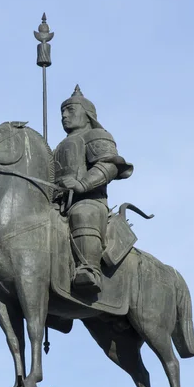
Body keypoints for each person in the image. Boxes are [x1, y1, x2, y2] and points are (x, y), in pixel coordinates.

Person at [54, 85, 133, 293]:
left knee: (83, 213)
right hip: (59, 203)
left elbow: (109, 165)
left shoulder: (96, 135)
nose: (64, 115)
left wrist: (82, 184)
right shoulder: (58, 147)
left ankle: (89, 269)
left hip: (89, 201)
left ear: (87, 114)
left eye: (70, 110)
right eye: (62, 111)